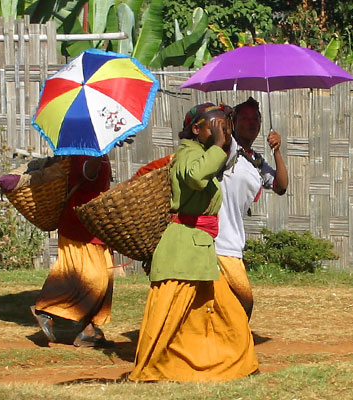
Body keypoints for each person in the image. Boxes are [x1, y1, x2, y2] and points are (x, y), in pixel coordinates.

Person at [128, 103, 258, 382]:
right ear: (196, 129)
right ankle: (150, 369)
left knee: (229, 313)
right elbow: (196, 177)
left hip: (200, 247)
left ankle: (237, 364)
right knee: (168, 314)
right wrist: (218, 147)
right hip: (182, 248)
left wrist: (221, 147)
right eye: (215, 125)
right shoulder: (189, 153)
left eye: (225, 125)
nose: (221, 130)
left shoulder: (204, 153)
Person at [31, 155, 115, 347]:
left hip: (94, 223)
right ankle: (46, 308)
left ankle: (89, 330)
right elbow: (88, 174)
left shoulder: (99, 152)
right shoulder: (85, 153)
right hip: (79, 225)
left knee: (105, 277)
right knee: (92, 278)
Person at [216, 98, 289, 318]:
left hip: (234, 242)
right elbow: (220, 137)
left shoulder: (254, 160)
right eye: (245, 118)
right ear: (234, 123)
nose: (251, 123)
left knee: (229, 306)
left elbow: (281, 186)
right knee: (241, 304)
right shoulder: (227, 150)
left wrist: (277, 151)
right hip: (216, 241)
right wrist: (224, 121)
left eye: (255, 119)